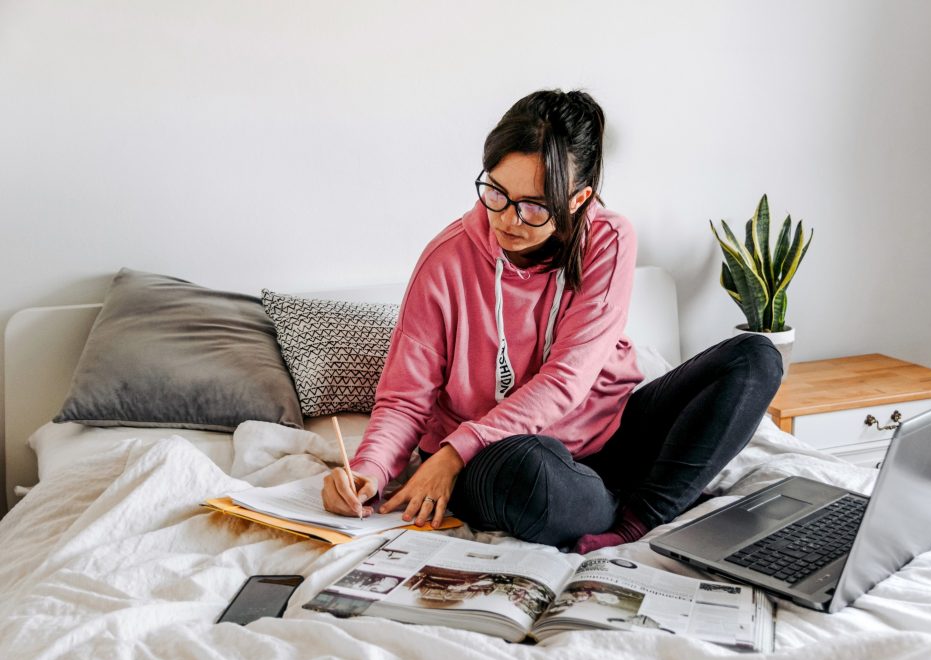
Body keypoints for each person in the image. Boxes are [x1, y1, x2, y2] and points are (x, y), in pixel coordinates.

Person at [322, 89, 783, 553]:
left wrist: (453, 450)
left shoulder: (608, 239)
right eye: (497, 193)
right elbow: (405, 399)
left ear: (579, 198)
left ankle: (635, 517)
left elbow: (566, 381)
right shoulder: (446, 262)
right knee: (530, 475)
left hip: (609, 437)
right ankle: (632, 497)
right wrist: (369, 470)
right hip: (499, 456)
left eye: (536, 205)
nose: (508, 218)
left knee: (755, 356)